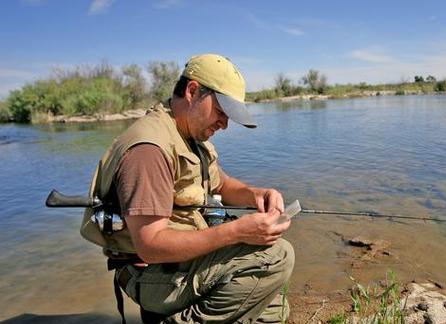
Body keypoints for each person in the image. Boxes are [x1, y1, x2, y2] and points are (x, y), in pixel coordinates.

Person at [80, 54, 294, 323]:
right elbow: (150, 246)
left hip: (182, 262)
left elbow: (222, 183)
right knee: (276, 257)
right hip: (150, 274)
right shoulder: (149, 151)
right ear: (193, 91)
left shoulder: (189, 134)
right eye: (221, 112)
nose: (225, 124)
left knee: (274, 306)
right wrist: (237, 232)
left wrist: (257, 194)